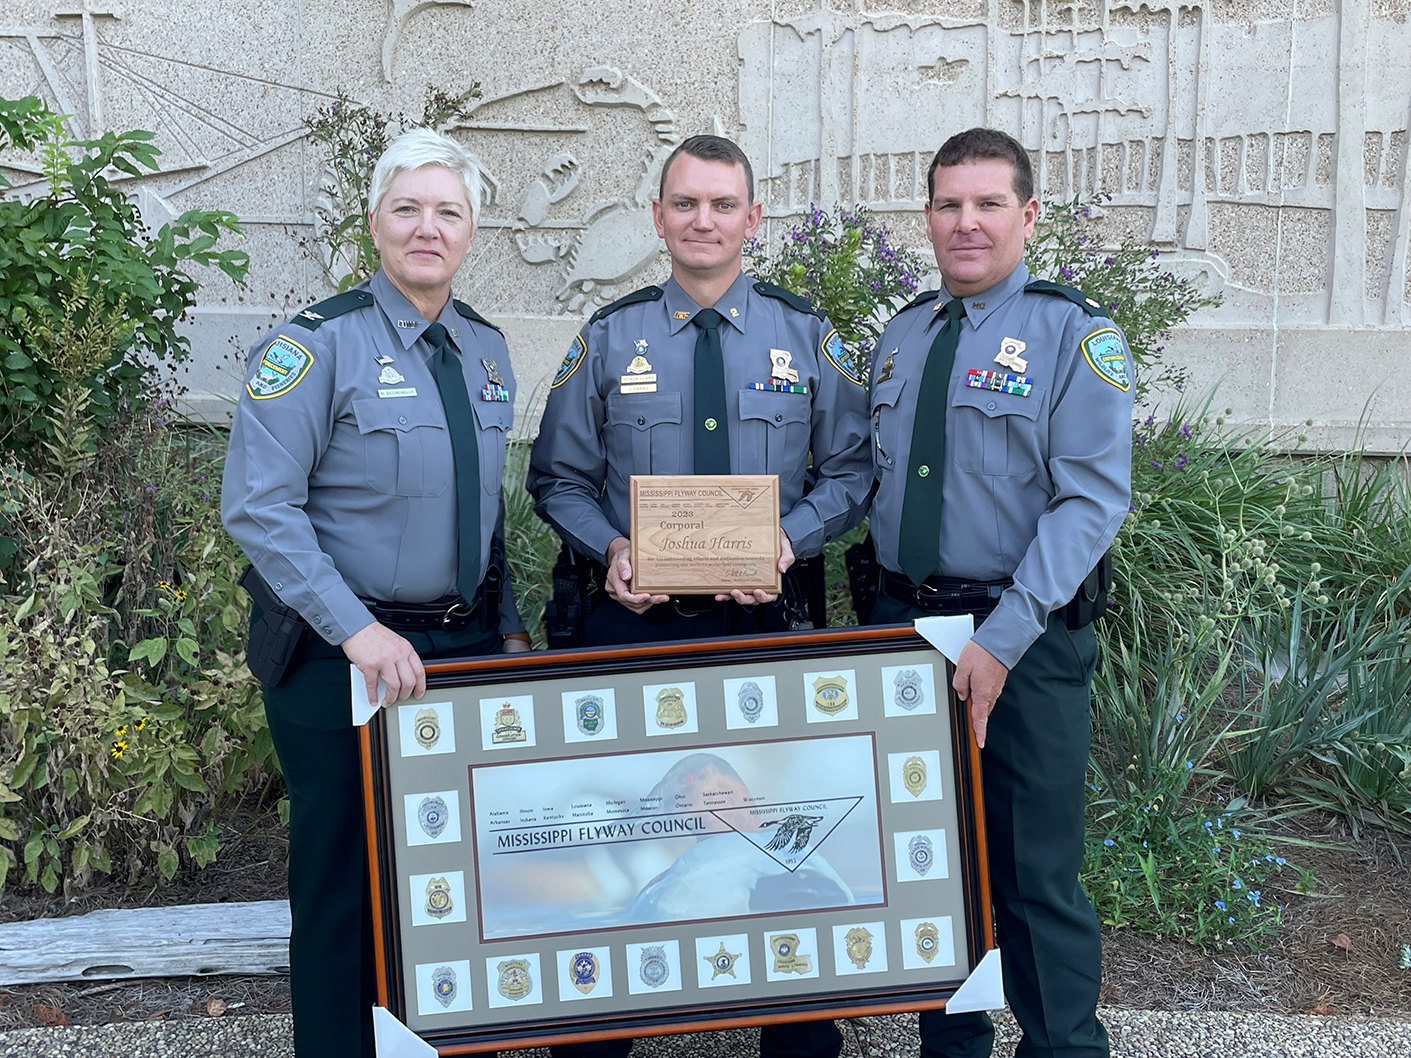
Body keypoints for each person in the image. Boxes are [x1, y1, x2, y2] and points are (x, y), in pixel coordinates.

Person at [527, 134, 871, 1057]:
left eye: (723, 204)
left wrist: (788, 541)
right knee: (627, 818)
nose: (704, 220)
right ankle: (597, 1034)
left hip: (763, 625)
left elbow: (852, 470)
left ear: (752, 219)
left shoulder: (805, 339)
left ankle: (797, 1033)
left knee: (768, 826)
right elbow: (556, 477)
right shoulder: (608, 336)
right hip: (631, 628)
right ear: (659, 218)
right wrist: (610, 548)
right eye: (686, 203)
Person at [222, 127, 530, 1058]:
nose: (426, 228)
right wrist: (357, 632)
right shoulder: (315, 348)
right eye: (407, 209)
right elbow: (259, 508)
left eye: (448, 212)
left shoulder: (483, 349)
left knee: (443, 880)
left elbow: (484, 509)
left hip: (459, 649)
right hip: (336, 660)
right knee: (343, 887)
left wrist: (507, 626)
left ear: (473, 231)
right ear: (374, 225)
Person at [865, 127, 1132, 1058]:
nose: (965, 223)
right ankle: (953, 1045)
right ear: (927, 217)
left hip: (1025, 638)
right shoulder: (902, 337)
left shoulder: (1072, 334)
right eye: (947, 204)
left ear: (1025, 214)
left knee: (1032, 873)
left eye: (986, 204)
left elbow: (1090, 501)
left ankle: (1063, 1045)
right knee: (930, 865)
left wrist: (1003, 636)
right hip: (907, 629)